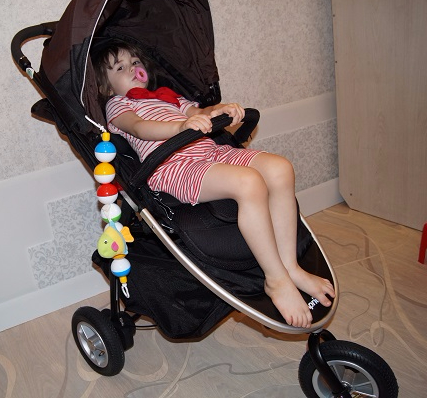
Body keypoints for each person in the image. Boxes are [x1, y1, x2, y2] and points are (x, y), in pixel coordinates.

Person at [92, 41, 334, 328]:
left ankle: (290, 266)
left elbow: (201, 114)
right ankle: (275, 279)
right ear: (107, 87)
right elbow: (139, 128)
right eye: (120, 68)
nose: (133, 69)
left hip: (211, 153)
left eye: (135, 62)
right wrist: (179, 127)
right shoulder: (119, 104)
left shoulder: (168, 97)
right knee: (250, 184)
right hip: (173, 166)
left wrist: (222, 109)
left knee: (281, 170)